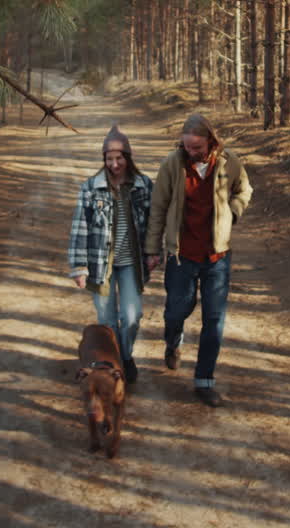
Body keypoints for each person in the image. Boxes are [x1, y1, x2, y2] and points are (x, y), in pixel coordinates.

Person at [144, 113, 252, 407]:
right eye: (186, 147)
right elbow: (157, 209)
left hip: (218, 256)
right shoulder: (172, 165)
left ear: (211, 142)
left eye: (197, 148)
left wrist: (233, 211)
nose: (191, 153)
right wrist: (153, 250)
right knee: (176, 311)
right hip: (182, 255)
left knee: (214, 320)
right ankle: (173, 340)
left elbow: (244, 189)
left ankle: (204, 381)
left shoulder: (229, 162)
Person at [68, 124, 153, 384]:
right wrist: (79, 267)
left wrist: (154, 252)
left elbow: (152, 223)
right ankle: (117, 366)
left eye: (119, 158)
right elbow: (80, 226)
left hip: (131, 264)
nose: (114, 163)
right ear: (103, 159)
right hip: (100, 264)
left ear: (128, 157)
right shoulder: (91, 187)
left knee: (131, 316)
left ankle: (125, 356)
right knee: (107, 322)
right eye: (109, 158)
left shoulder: (143, 185)